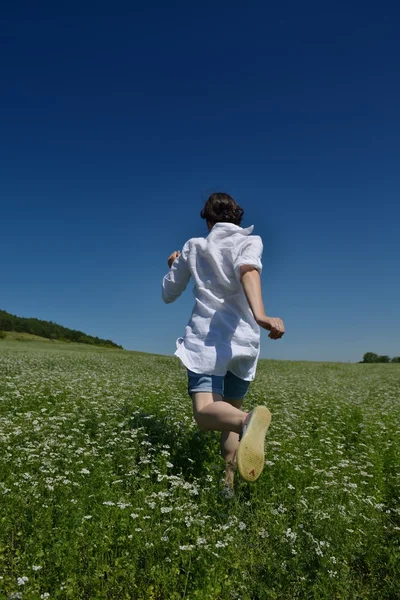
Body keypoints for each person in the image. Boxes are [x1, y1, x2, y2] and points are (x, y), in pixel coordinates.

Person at [162, 193, 284, 491]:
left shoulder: (194, 246)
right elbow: (248, 271)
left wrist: (173, 265)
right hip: (243, 343)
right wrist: (261, 315)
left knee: (206, 415)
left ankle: (248, 421)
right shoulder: (250, 241)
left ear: (207, 219)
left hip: (206, 343)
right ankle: (227, 483)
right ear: (237, 218)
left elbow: (168, 293)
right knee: (227, 416)